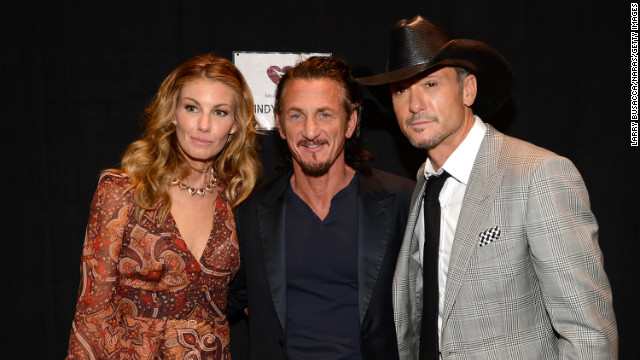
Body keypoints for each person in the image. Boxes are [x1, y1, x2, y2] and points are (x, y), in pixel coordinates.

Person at [355, 15, 618, 360]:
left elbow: (589, 335)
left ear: (468, 90)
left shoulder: (537, 174)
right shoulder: (425, 182)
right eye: (401, 90)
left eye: (430, 85)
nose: (414, 105)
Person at [66, 53, 261, 359]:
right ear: (173, 113)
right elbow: (92, 311)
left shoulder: (238, 200)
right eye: (192, 108)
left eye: (220, 112)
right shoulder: (124, 190)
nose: (204, 125)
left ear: (235, 124)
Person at [227, 56, 415, 360]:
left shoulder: (402, 202)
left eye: (325, 115)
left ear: (351, 122)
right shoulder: (249, 212)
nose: (310, 131)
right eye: (297, 116)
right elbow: (220, 299)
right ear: (280, 124)